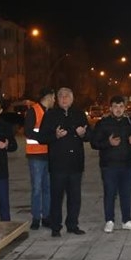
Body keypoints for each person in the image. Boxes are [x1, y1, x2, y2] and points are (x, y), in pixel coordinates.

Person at [39, 87, 91, 237]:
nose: (64, 98)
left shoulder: (79, 114)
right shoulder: (51, 115)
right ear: (57, 99)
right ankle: (56, 227)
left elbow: (90, 135)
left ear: (72, 98)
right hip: (58, 164)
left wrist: (84, 133)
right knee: (57, 197)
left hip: (75, 163)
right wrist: (54, 135)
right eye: (61, 96)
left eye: (67, 96)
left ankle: (72, 225)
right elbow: (42, 137)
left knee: (75, 197)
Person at [91, 95, 131, 232]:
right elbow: (94, 143)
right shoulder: (103, 123)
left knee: (126, 194)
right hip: (109, 166)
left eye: (121, 106)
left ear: (124, 108)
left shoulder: (130, 122)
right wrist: (108, 143)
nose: (118, 109)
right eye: (115, 106)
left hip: (128, 166)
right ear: (110, 108)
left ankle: (127, 220)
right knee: (110, 194)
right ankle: (109, 220)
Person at [23, 87, 55, 230]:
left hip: (48, 156)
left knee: (47, 188)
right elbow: (28, 132)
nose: (55, 101)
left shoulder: (51, 113)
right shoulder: (34, 111)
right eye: (53, 98)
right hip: (36, 156)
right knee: (37, 188)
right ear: (48, 97)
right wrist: (44, 138)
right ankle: (36, 218)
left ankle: (46, 216)